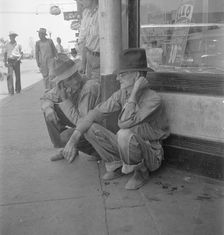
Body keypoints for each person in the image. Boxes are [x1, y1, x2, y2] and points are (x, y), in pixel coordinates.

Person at [60, 48, 170, 190]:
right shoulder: (121, 94)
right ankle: (116, 165)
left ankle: (141, 172)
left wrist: (134, 93)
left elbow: (124, 123)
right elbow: (95, 112)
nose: (118, 78)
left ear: (137, 76)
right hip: (127, 147)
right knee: (90, 127)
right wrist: (74, 137)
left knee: (123, 134)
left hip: (150, 155)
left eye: (122, 75)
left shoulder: (153, 99)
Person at [41, 57, 101, 159]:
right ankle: (65, 149)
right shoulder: (63, 86)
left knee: (65, 136)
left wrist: (65, 100)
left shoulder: (89, 87)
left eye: (75, 75)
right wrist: (48, 109)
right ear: (62, 82)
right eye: (69, 79)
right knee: (51, 110)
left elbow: (81, 122)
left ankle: (97, 152)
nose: (76, 81)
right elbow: (47, 97)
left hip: (93, 128)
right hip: (82, 121)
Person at [77, 0, 100, 80]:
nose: (79, 2)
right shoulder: (85, 13)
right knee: (89, 85)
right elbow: (82, 39)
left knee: (97, 87)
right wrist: (83, 63)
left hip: (100, 59)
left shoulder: (102, 12)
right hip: (89, 58)